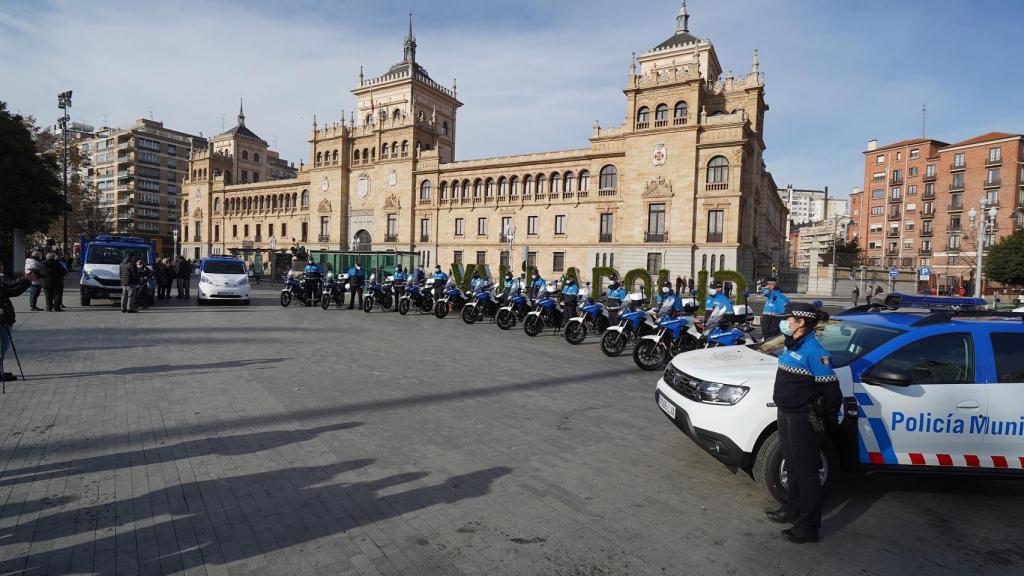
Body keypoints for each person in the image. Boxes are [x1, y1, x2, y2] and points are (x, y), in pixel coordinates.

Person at [766, 302, 839, 544]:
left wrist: (826, 419)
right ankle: (792, 508)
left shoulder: (815, 352)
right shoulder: (791, 344)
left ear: (801, 322)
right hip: (785, 413)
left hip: (802, 419)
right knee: (793, 467)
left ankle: (808, 526)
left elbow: (831, 392)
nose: (785, 321)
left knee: (807, 473)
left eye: (789, 318)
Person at [1, 263, 32, 383]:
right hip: (3, 318)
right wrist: (26, 280)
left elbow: (9, 286)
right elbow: (12, 290)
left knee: (3, 345)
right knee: (3, 346)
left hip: (5, 316)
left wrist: (25, 279)